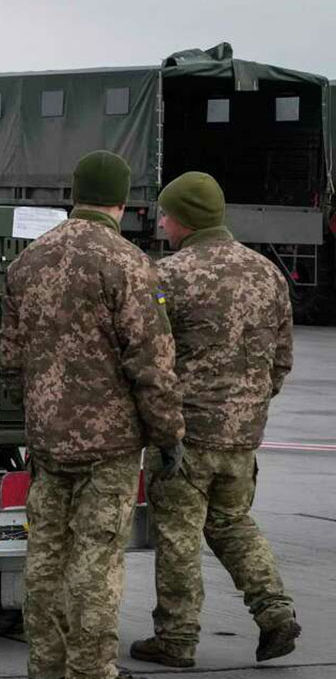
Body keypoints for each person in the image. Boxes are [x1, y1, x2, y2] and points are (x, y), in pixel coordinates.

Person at [0, 150, 185, 679]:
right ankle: (92, 670)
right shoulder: (130, 265)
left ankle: (47, 667)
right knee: (96, 563)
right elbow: (152, 364)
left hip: (48, 441)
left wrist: (44, 411)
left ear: (73, 194)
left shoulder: (29, 260)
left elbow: (11, 358)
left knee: (46, 561)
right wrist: (168, 434)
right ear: (123, 203)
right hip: (110, 447)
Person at [130, 172, 301, 668]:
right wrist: (249, 406)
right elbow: (281, 359)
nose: (160, 221)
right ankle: (274, 611)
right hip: (242, 436)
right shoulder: (266, 273)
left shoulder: (170, 275)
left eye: (164, 213)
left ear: (182, 218)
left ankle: (177, 638)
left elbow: (152, 359)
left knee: (179, 534)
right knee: (233, 523)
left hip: (185, 434)